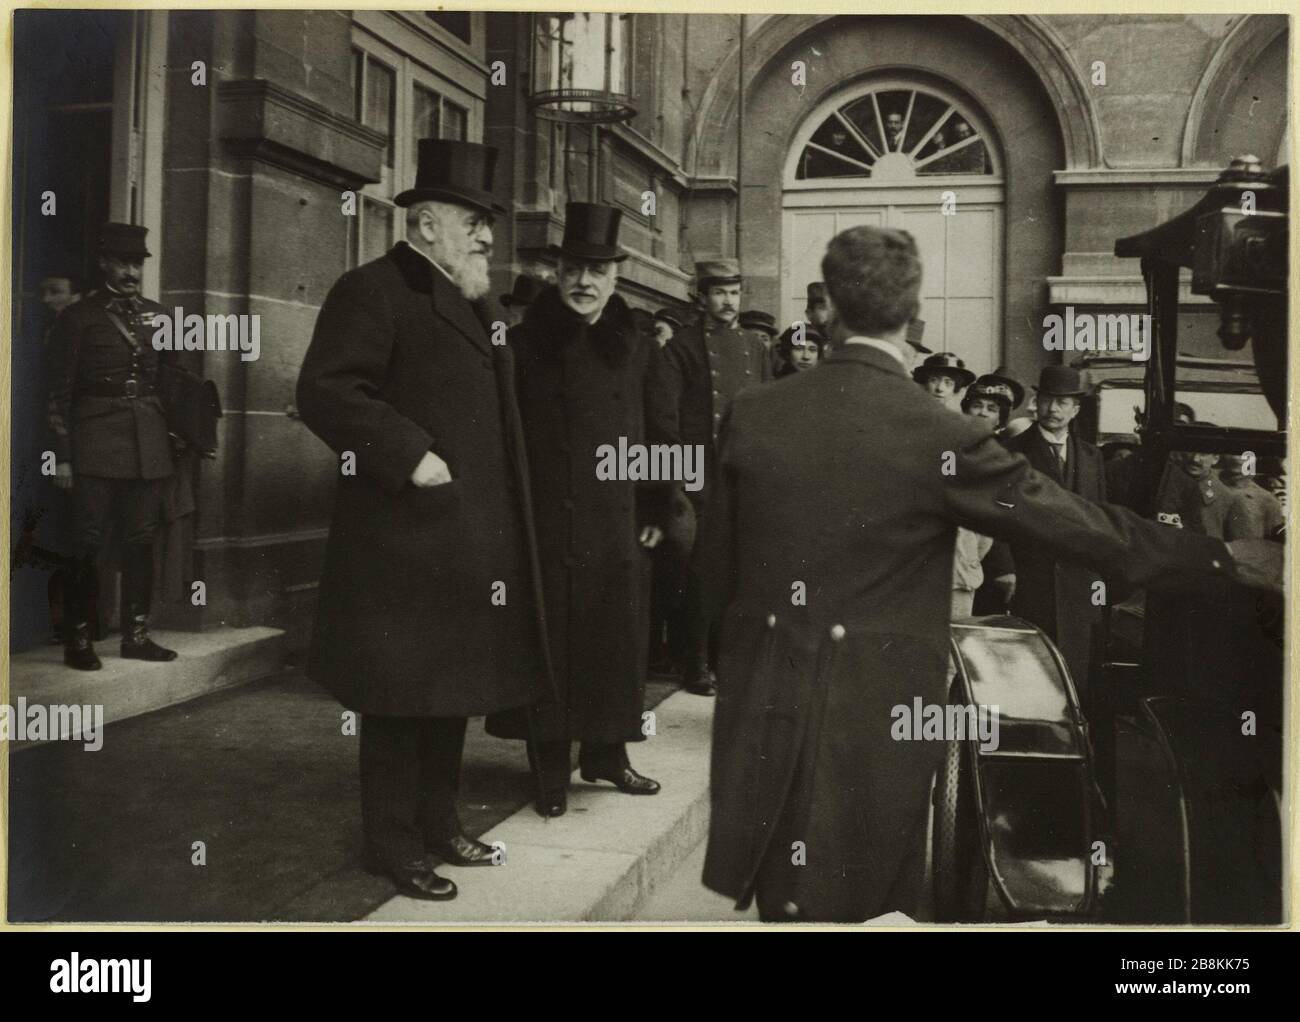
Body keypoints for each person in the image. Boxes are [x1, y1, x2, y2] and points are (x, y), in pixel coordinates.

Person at [695, 224, 1279, 924]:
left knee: (791, 901)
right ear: (915, 315)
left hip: (764, 711)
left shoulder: (752, 412)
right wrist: (1222, 558)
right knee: (863, 901)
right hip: (878, 725)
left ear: (827, 309)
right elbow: (1081, 528)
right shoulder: (941, 434)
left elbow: (711, 578)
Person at [295, 139, 548, 902]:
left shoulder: (475, 301)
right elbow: (327, 390)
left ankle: (439, 825)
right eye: (474, 220)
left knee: (450, 689)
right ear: (429, 222)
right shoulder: (373, 289)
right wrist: (410, 455)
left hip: (463, 539)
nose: (486, 237)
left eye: (489, 223)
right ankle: (391, 844)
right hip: (403, 537)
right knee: (399, 698)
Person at [485, 202, 673, 817]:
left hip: (616, 520)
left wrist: (657, 506)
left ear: (617, 275)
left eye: (597, 272)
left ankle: (607, 756)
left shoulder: (640, 346)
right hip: (545, 521)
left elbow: (661, 434)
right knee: (550, 641)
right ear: (557, 271)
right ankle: (547, 770)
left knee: (615, 638)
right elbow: (500, 438)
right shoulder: (521, 345)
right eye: (572, 269)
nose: (584, 283)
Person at [47, 223, 179, 671]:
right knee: (85, 541)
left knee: (140, 540)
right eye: (122, 262)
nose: (131, 271)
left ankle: (136, 636)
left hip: (147, 444)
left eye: (137, 263)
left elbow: (172, 382)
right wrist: (63, 454)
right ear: (103, 263)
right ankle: (79, 639)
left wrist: (181, 437)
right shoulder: (77, 317)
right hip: (94, 442)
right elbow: (57, 392)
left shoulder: (161, 316)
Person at [662, 257, 771, 696]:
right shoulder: (682, 347)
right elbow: (666, 418)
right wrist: (677, 481)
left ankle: (730, 658)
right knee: (699, 573)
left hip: (741, 470)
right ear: (702, 298)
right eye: (719, 293)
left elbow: (766, 412)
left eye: (734, 293)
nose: (728, 302)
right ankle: (696, 664)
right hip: (698, 471)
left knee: (740, 571)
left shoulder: (754, 346)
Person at [1001, 365, 1107, 693]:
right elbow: (997, 517)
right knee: (1032, 675)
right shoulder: (1013, 453)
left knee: (1076, 677)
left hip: (1080, 585)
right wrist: (1005, 570)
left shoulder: (1092, 457)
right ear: (1036, 402)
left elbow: (1102, 520)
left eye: (1062, 403)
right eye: (1047, 400)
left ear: (1076, 409)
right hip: (1032, 579)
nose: (1053, 409)